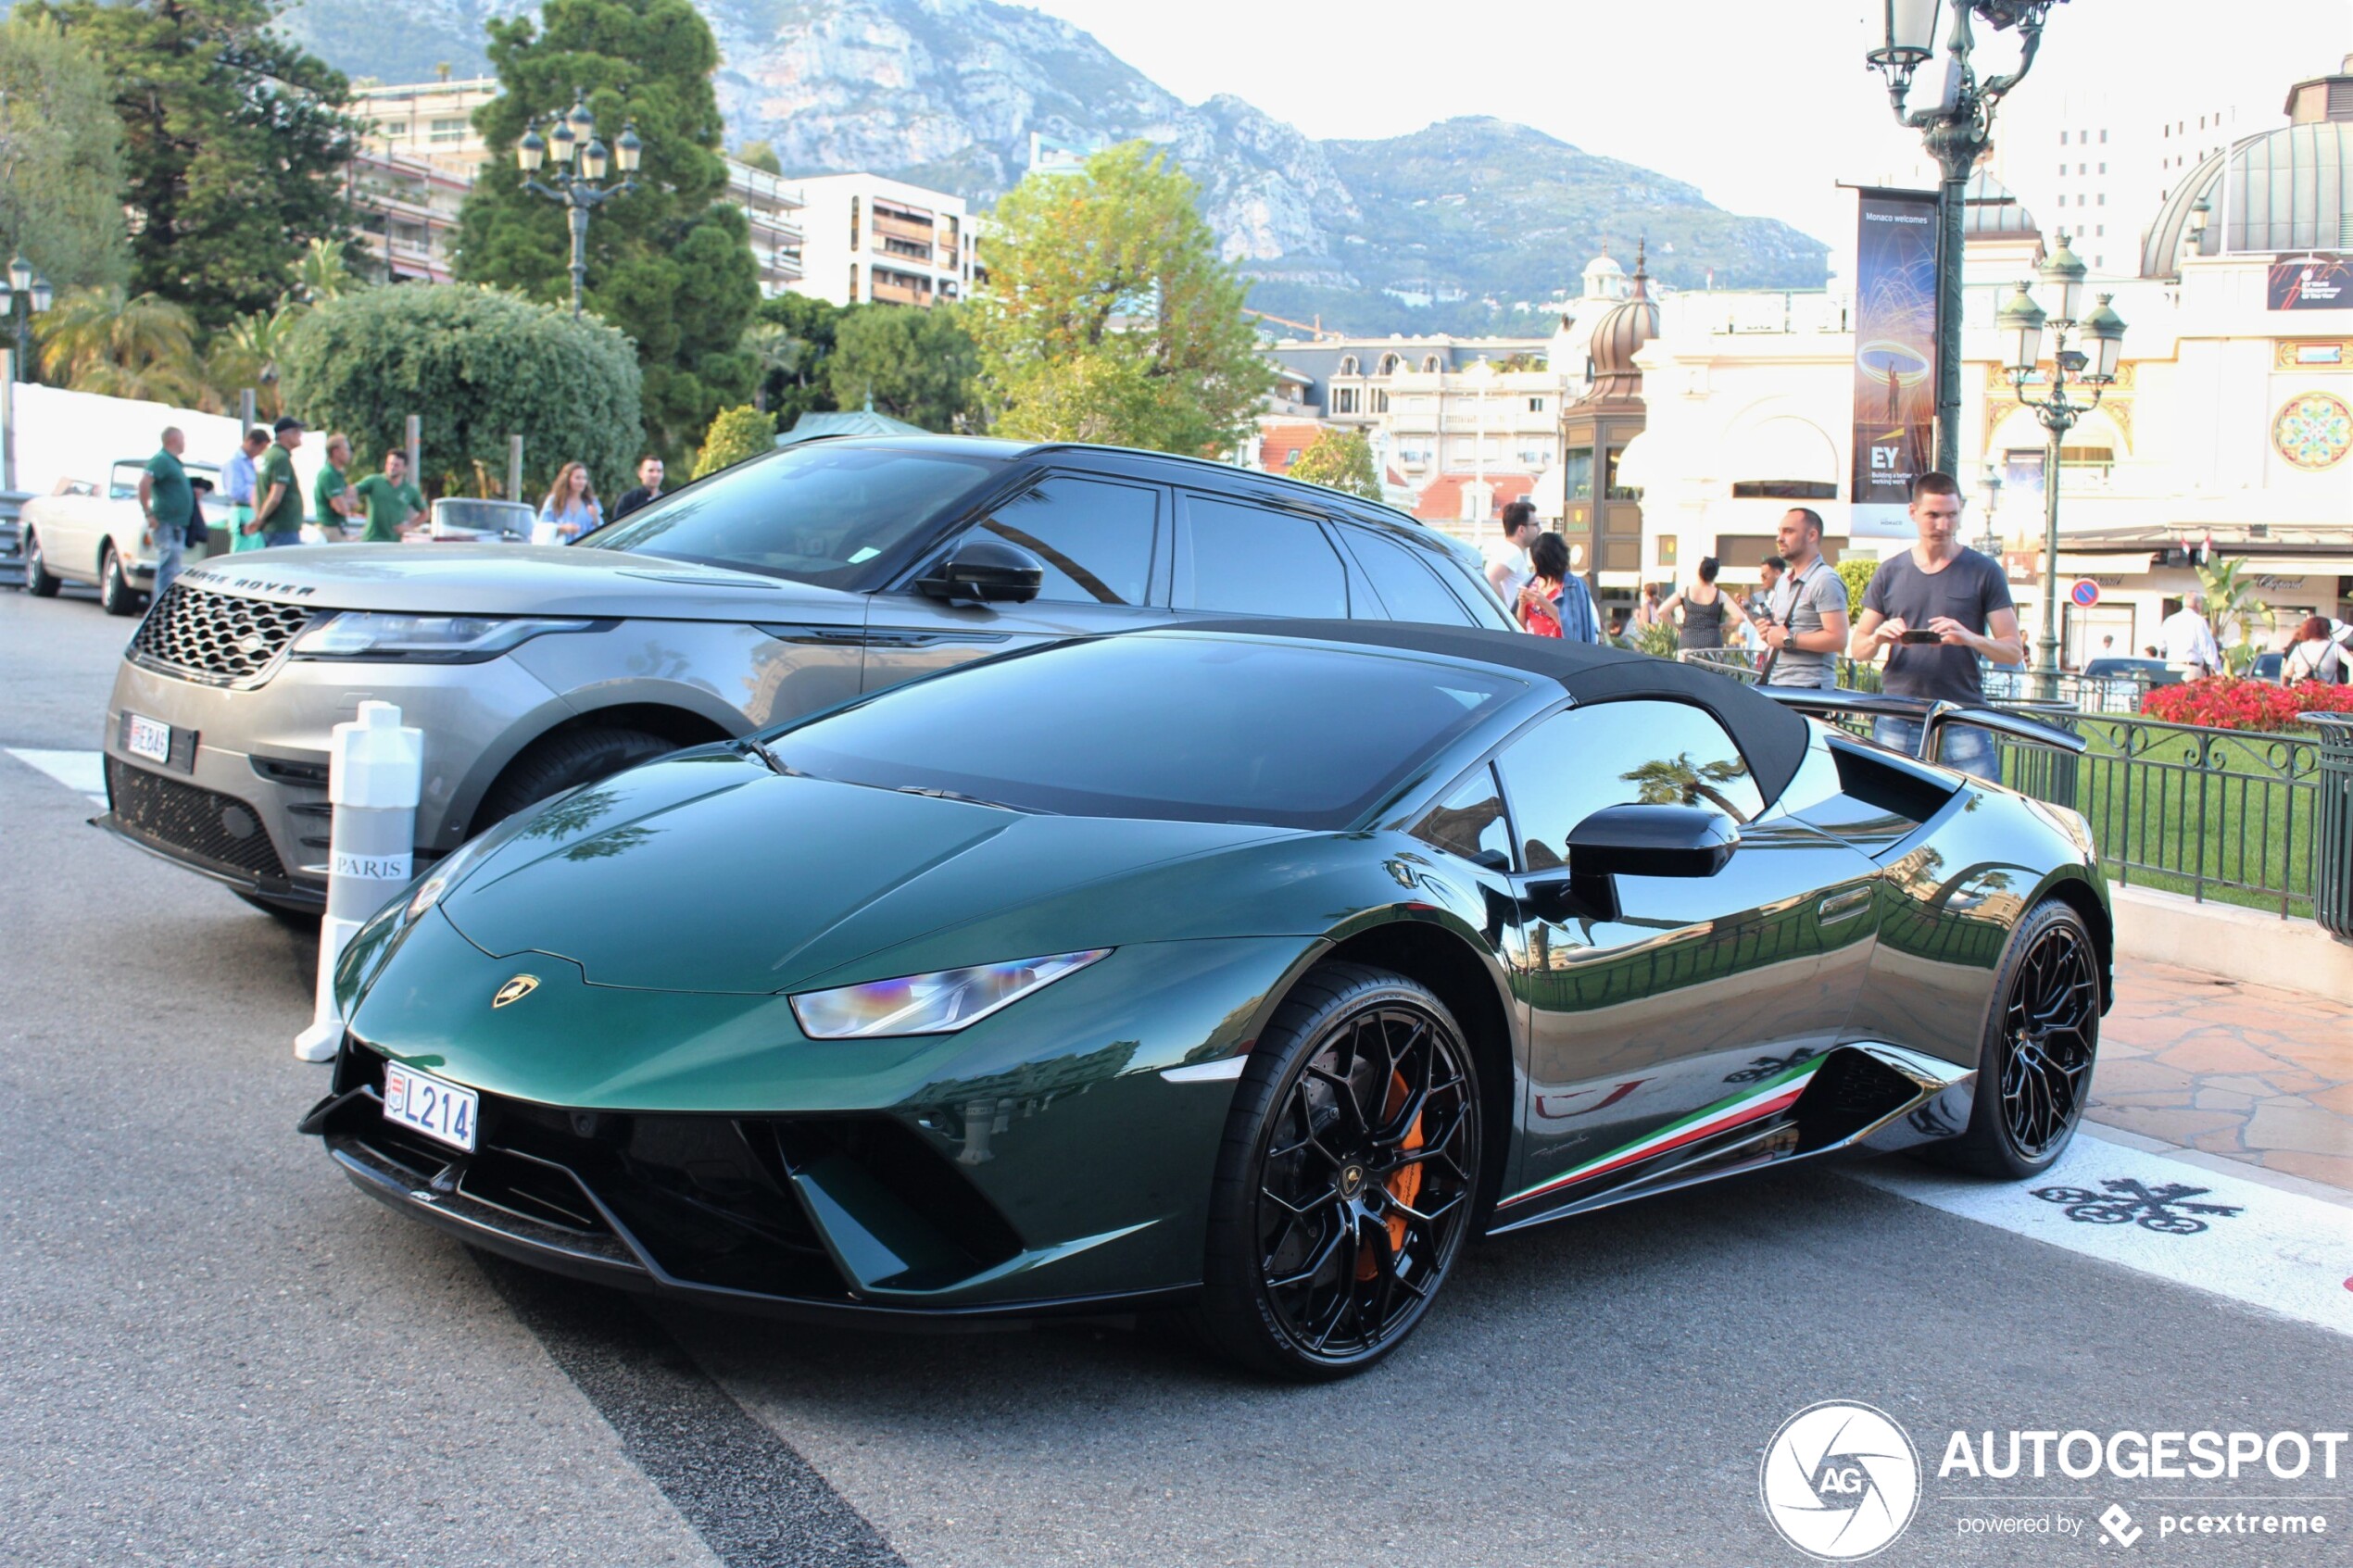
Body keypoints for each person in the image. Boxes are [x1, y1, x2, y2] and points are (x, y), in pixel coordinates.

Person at [1848, 471, 2025, 782]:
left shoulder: (1985, 571)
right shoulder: (1890, 572)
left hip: (1961, 712)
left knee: (1980, 808)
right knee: (1890, 809)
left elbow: (2012, 651)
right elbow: (1858, 649)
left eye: (1951, 515)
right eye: (1933, 515)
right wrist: (1879, 636)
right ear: (1913, 513)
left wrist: (1970, 638)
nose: (1943, 525)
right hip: (1898, 712)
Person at [1759, 508, 1848, 689]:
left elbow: (1839, 639)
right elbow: (1783, 631)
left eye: (1788, 531)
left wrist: (1789, 639)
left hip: (1809, 690)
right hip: (1777, 683)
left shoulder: (1825, 579)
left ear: (1812, 535)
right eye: (1779, 531)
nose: (1779, 538)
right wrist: (1768, 632)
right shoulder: (1783, 580)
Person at [136, 426, 195, 599]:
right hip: (167, 523)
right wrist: (148, 513)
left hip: (176, 524)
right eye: (182, 439)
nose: (184, 443)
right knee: (168, 568)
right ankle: (159, 606)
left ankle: (165, 604)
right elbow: (144, 483)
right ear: (173, 440)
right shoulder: (161, 460)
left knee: (173, 568)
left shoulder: (172, 462)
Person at [1516, 532, 1602, 643]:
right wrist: (1522, 605)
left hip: (1557, 651)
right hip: (1531, 649)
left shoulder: (1571, 585)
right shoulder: (1531, 582)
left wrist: (1545, 604)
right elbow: (1520, 626)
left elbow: (1573, 629)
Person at [1658, 556, 1750, 653]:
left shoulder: (1685, 592)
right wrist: (1721, 626)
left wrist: (1678, 626)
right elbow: (1740, 617)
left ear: (1699, 572)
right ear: (1715, 575)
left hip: (1688, 641)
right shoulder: (1720, 595)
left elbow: (1662, 612)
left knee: (1686, 668)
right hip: (1712, 643)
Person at [351, 449, 428, 545]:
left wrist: (409, 525)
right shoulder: (374, 481)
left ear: (405, 468)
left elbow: (425, 513)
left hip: (393, 542)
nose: (392, 467)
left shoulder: (410, 490)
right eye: (389, 464)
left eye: (396, 465)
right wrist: (353, 500)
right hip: (371, 540)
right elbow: (353, 490)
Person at [252, 417, 306, 547]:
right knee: (287, 566)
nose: (300, 434)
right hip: (283, 528)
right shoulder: (281, 458)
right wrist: (260, 520)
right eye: (295, 431)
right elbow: (275, 496)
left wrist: (259, 517)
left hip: (272, 527)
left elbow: (254, 491)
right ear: (283, 434)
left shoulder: (267, 455)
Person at [220, 427, 269, 555]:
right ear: (251, 443)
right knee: (241, 551)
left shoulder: (251, 463)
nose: (260, 453)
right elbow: (235, 491)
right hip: (242, 510)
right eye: (260, 449)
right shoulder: (234, 463)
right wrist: (256, 492)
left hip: (251, 510)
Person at [1482, 500, 1541, 605]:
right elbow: (1491, 579)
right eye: (1535, 525)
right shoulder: (1512, 552)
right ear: (1521, 530)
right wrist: (1505, 613)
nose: (1540, 529)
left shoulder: (1505, 549)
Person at [2158, 593, 2223, 677]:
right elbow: (2207, 647)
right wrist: (2218, 670)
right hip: (2190, 669)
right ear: (2198, 604)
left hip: (2171, 667)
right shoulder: (2199, 621)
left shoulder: (2169, 620)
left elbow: (2161, 646)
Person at [539, 462, 604, 542]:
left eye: (584, 478)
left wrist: (596, 519)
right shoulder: (554, 500)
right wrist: (563, 529)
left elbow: (601, 532)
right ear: (568, 479)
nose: (582, 482)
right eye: (577, 478)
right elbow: (542, 527)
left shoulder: (592, 502)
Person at [312, 433, 358, 538]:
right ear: (336, 452)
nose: (349, 453)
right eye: (346, 449)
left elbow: (355, 502)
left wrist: (347, 501)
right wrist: (346, 501)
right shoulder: (329, 474)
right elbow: (341, 508)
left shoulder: (339, 474)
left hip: (339, 527)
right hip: (330, 529)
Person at [2284, 616, 2349, 685]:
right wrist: (2350, 684)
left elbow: (2287, 673)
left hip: (2300, 692)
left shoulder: (2299, 648)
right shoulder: (2335, 647)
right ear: (2328, 630)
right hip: (2327, 692)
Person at [612, 455, 666, 522]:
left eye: (659, 471)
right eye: (651, 471)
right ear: (641, 473)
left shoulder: (666, 500)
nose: (655, 475)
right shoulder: (628, 500)